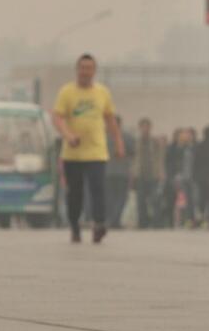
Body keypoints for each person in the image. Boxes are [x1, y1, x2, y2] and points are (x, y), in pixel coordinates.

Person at [51, 54, 125, 243]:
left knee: (98, 189)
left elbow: (110, 119)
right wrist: (68, 135)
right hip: (73, 153)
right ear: (77, 70)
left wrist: (118, 143)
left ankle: (99, 223)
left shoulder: (102, 93)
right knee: (75, 193)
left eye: (89, 68)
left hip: (96, 152)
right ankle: (75, 226)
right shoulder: (67, 92)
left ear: (94, 71)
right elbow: (57, 118)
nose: (86, 72)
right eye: (82, 68)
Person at [131, 118, 165, 229]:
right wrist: (133, 173)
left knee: (155, 200)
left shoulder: (155, 141)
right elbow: (134, 159)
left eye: (147, 126)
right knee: (140, 200)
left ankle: (157, 222)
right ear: (140, 128)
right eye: (143, 127)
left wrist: (161, 171)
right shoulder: (136, 142)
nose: (145, 129)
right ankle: (142, 222)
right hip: (140, 175)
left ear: (150, 128)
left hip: (153, 174)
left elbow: (160, 157)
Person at [105, 116, 134, 229]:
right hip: (122, 172)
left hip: (108, 172)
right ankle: (115, 220)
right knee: (121, 197)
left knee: (110, 197)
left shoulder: (104, 136)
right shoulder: (127, 137)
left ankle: (112, 219)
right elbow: (133, 152)